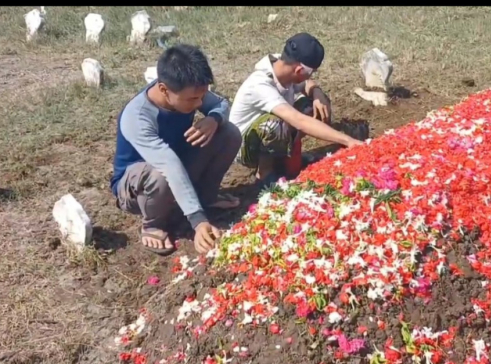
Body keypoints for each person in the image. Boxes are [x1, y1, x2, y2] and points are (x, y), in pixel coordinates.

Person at [110, 44, 242, 255]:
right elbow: (168, 165)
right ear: (163, 89)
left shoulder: (186, 88)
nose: (199, 102)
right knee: (158, 174)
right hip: (139, 188)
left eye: (202, 96)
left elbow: (222, 104)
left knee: (229, 133)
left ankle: (205, 197)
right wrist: (198, 222)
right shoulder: (137, 117)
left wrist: (213, 118)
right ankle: (154, 223)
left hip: (176, 166)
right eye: (193, 99)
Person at [229, 32, 365, 188]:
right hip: (244, 147)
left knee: (311, 105)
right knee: (274, 125)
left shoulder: (282, 64)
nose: (310, 77)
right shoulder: (260, 85)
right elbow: (299, 121)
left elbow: (307, 85)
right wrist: (347, 140)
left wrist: (317, 92)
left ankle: (289, 162)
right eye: (310, 73)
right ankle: (264, 175)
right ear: (299, 70)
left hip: (269, 135)